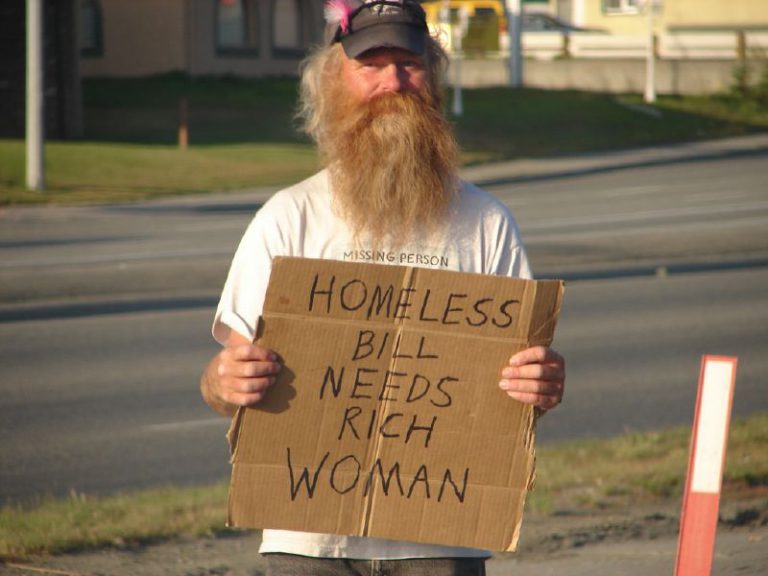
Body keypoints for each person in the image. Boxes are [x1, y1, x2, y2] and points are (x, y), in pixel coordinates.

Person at [200, 1, 565, 574]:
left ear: (434, 74)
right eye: (371, 63)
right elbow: (223, 382)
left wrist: (538, 385)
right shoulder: (288, 217)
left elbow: (515, 399)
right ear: (333, 80)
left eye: (409, 63)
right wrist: (226, 380)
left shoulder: (488, 223)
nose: (393, 81)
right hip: (309, 539)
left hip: (441, 536)